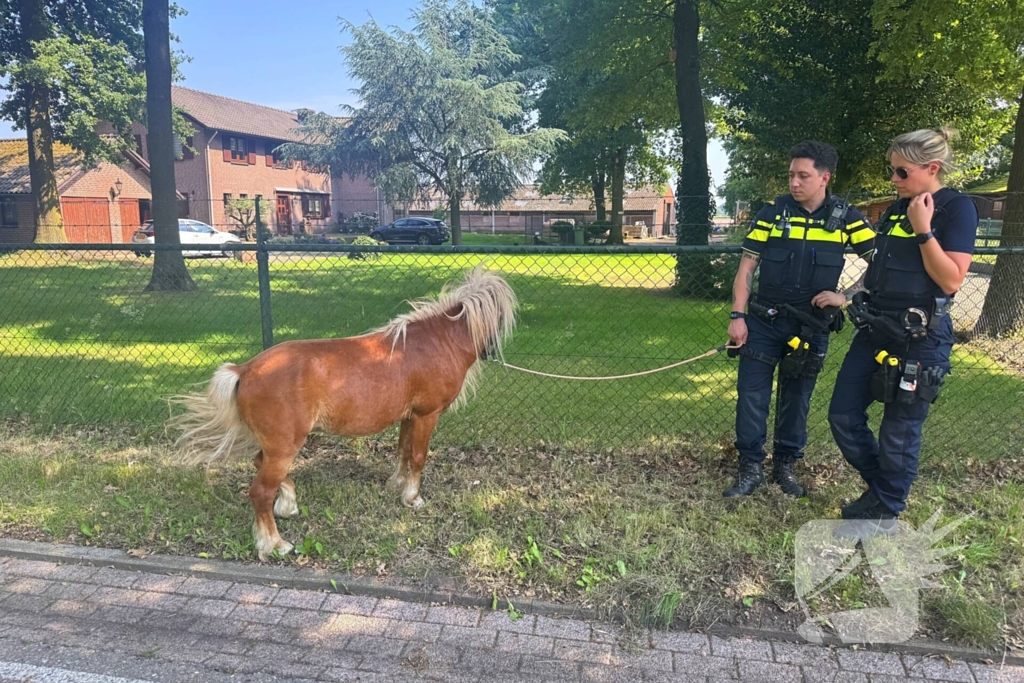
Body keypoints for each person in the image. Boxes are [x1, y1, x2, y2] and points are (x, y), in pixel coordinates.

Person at [828, 128, 978, 535]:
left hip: (920, 337)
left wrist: (924, 230)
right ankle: (884, 490)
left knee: (900, 431)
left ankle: (885, 509)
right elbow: (877, 272)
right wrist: (847, 296)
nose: (893, 179)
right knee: (842, 414)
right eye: (892, 170)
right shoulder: (896, 208)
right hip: (876, 329)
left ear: (931, 168)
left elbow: (951, 281)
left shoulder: (956, 209)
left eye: (901, 171)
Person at [725, 141, 875, 498]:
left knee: (797, 398)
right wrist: (737, 315)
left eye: (803, 176)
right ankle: (750, 467)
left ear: (825, 178)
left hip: (811, 327)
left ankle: (785, 466)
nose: (794, 182)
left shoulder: (846, 217)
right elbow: (747, 265)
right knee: (751, 395)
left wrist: (847, 296)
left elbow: (882, 262)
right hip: (763, 321)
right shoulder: (772, 213)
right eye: (791, 175)